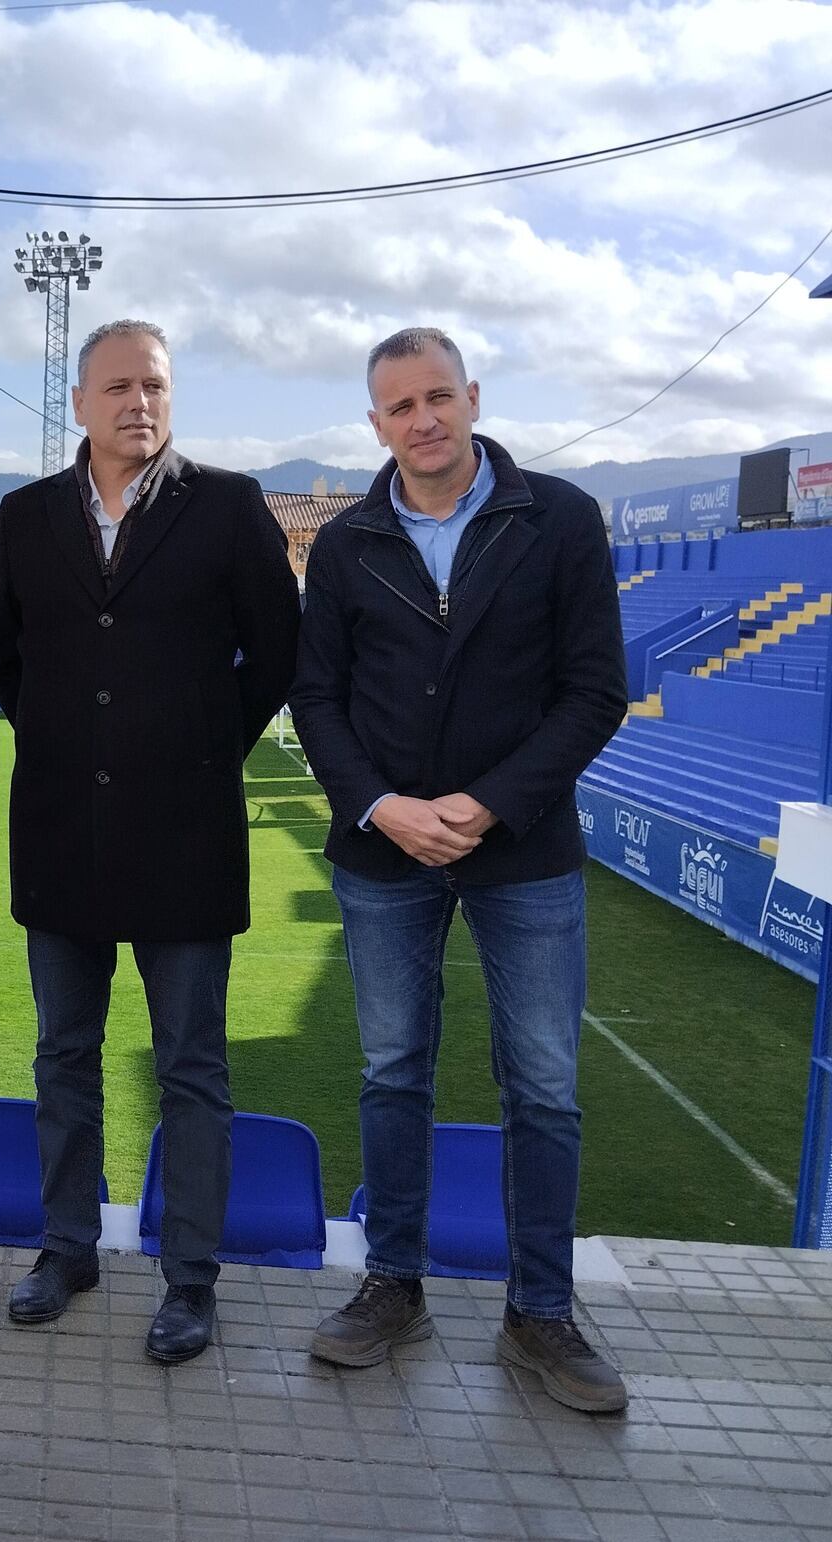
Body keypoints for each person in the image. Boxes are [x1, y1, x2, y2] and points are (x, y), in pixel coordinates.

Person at [289, 326, 629, 1414]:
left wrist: (485, 806)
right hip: (383, 852)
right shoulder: (343, 544)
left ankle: (539, 1313)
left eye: (438, 397)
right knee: (393, 1071)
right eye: (399, 406)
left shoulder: (557, 518)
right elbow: (318, 698)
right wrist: (384, 808)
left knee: (543, 1086)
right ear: (374, 423)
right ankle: (392, 1286)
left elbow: (592, 691)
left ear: (471, 397)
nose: (422, 419)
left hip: (521, 850)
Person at [0, 320, 301, 1362]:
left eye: (153, 386)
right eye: (116, 386)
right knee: (62, 1059)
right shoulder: (25, 516)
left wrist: (202, 748)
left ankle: (189, 1280)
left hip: (185, 838)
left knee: (192, 1069)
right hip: (60, 835)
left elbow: (276, 653)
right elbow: (5, 660)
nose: (137, 403)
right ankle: (65, 1250)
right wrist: (76, 746)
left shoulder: (229, 505)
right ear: (78, 402)